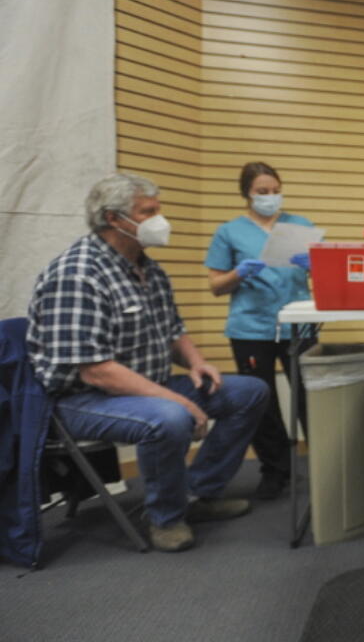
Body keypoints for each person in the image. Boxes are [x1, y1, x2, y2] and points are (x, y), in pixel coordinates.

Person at [26, 173, 268, 553]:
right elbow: (95, 369)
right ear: (114, 219)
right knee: (169, 418)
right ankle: (165, 518)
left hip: (146, 385)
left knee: (248, 392)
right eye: (149, 212)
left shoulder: (148, 268)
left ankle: (197, 493)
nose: (161, 220)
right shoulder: (76, 274)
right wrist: (177, 401)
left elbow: (173, 331)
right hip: (83, 400)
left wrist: (196, 363)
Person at [204, 162, 314, 499]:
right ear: (246, 195)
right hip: (251, 327)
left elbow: (324, 277)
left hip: (299, 323)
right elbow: (216, 286)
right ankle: (275, 470)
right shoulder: (229, 232)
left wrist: (315, 265)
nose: (270, 197)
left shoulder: (300, 226)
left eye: (275, 190)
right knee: (262, 402)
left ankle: (326, 464)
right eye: (262, 192)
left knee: (310, 397)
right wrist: (239, 273)